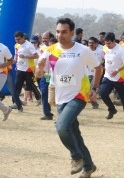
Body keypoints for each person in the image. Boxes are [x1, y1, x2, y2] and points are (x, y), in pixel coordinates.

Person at [36, 17, 102, 177]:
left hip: (79, 94)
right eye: (58, 31)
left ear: (72, 32)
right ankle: (89, 167)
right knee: (74, 134)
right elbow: (39, 74)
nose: (60, 35)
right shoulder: (50, 50)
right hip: (60, 96)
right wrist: (39, 67)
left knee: (61, 126)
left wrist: (94, 88)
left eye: (64, 32)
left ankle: (76, 157)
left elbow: (99, 68)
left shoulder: (83, 50)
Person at [99, 32, 124, 122]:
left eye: (109, 43)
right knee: (103, 93)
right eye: (106, 43)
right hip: (108, 76)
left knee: (123, 98)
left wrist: (117, 70)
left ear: (114, 41)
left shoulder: (121, 50)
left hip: (119, 77)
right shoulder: (105, 48)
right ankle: (112, 109)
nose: (107, 45)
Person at [13, 31, 39, 112]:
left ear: (23, 38)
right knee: (17, 86)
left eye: (19, 39)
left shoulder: (29, 45)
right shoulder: (16, 45)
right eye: (16, 39)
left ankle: (39, 97)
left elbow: (36, 55)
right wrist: (15, 60)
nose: (17, 41)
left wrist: (25, 56)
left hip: (28, 68)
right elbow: (16, 54)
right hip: (20, 68)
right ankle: (16, 103)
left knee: (29, 86)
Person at [38, 31, 55, 120]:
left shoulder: (60, 50)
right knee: (45, 93)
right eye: (43, 38)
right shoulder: (45, 50)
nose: (44, 40)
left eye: (46, 38)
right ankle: (47, 113)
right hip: (47, 75)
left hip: (58, 76)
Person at [87, 37, 103, 109]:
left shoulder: (100, 51)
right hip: (86, 73)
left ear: (96, 44)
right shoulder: (85, 51)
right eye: (89, 43)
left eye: (92, 43)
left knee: (92, 88)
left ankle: (94, 103)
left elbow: (107, 57)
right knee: (87, 89)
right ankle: (94, 103)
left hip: (95, 74)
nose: (91, 44)